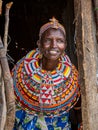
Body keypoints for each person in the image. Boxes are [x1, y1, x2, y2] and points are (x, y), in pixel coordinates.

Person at [12, 17, 82, 130]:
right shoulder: (21, 71)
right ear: (39, 43)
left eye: (60, 40)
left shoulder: (72, 77)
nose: (54, 45)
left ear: (65, 45)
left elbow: (79, 109)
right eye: (48, 40)